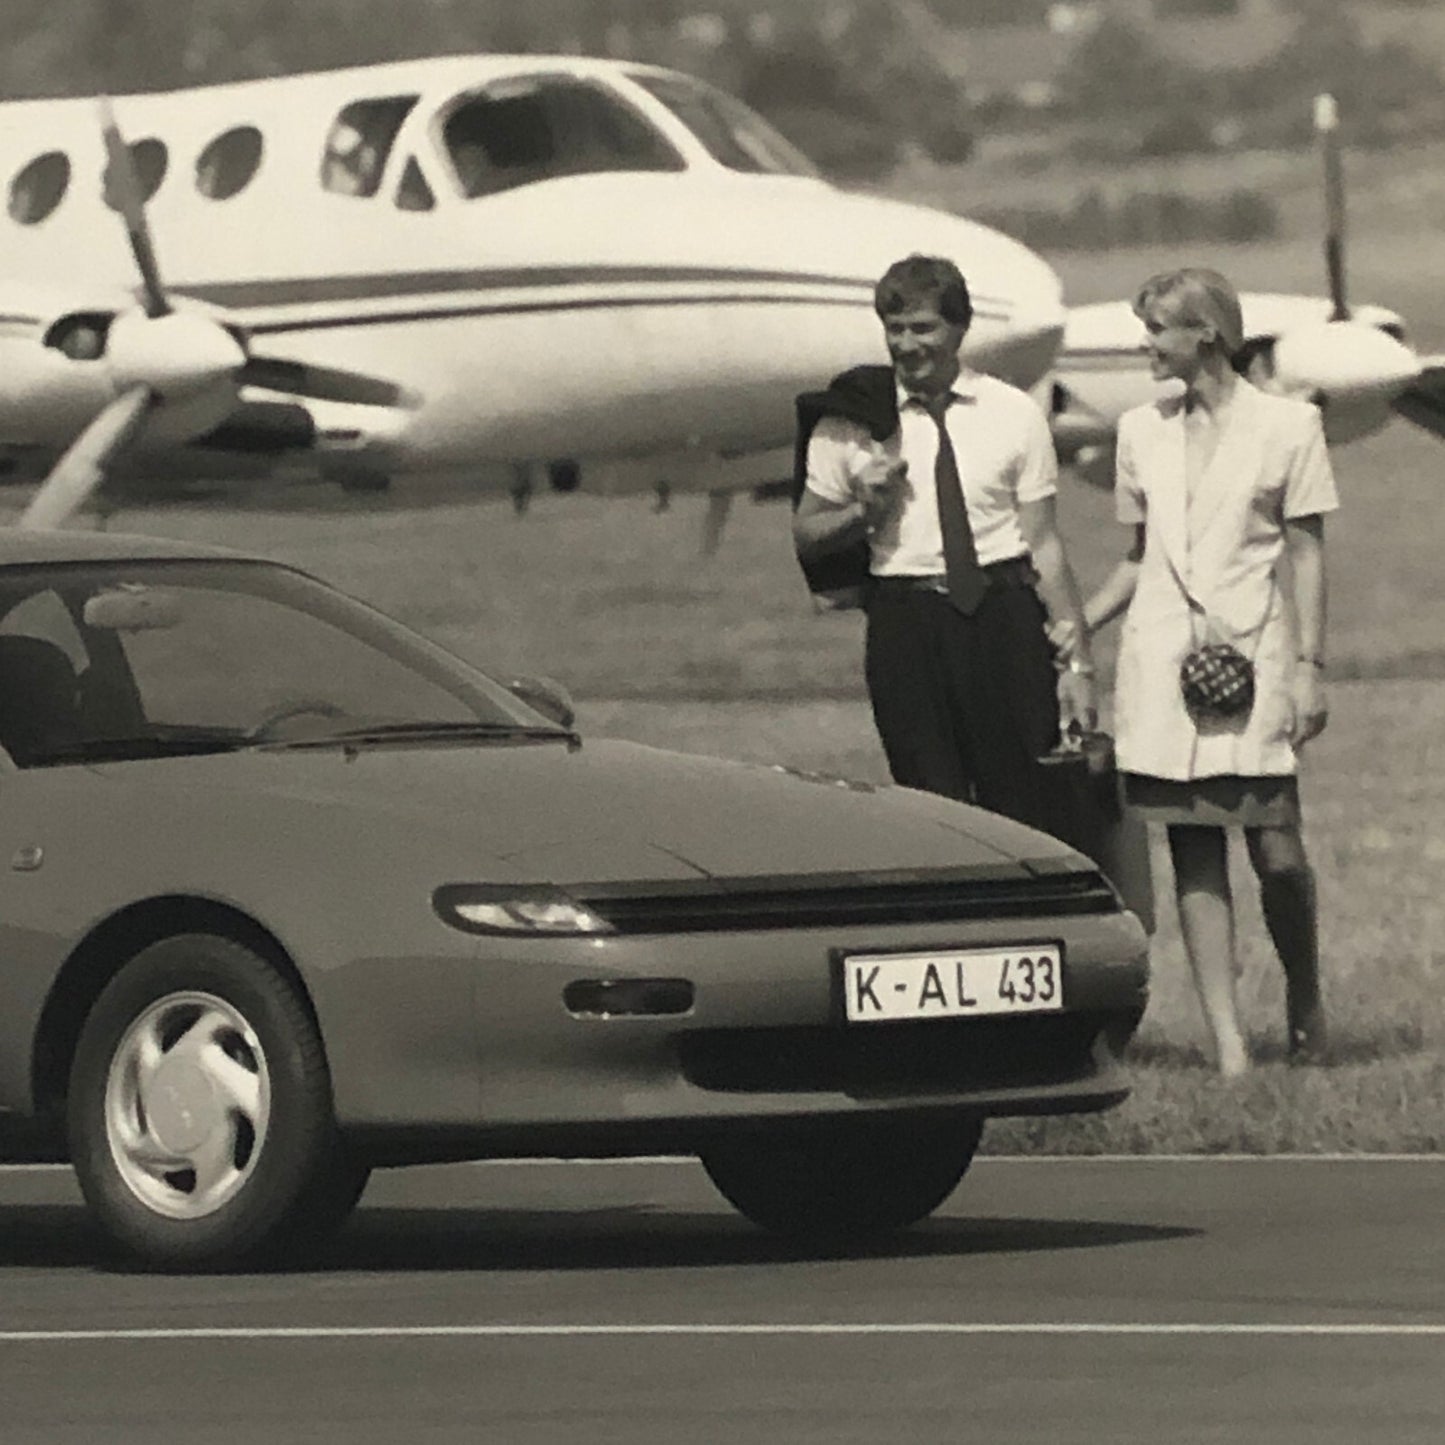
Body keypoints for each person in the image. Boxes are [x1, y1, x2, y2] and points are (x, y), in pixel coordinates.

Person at [1082, 267, 1336, 1076]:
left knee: (1277, 852)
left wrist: (1307, 667)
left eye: (1157, 328)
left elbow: (1306, 554)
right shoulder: (1137, 432)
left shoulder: (1289, 427)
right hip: (1163, 667)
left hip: (1254, 659)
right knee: (1193, 849)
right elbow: (1137, 558)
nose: (1145, 345)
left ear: (1207, 334)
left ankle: (1303, 991)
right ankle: (1229, 1046)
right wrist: (1074, 626)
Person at [791, 254, 1097, 834]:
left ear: (960, 328)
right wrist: (864, 509)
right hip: (907, 620)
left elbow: (1045, 545)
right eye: (895, 329)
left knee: (1029, 799)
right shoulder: (854, 421)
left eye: (923, 328)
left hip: (1004, 612)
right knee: (930, 806)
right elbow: (807, 534)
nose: (908, 345)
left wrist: (1078, 663)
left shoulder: (1014, 413)